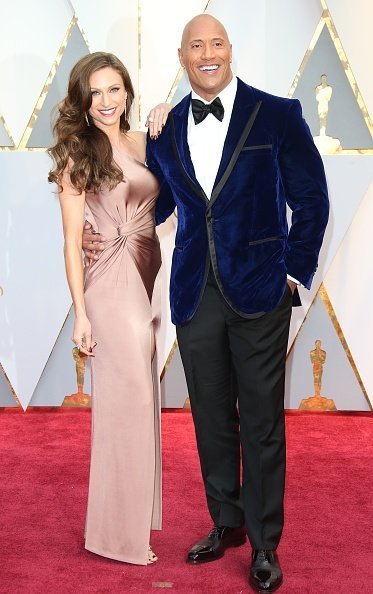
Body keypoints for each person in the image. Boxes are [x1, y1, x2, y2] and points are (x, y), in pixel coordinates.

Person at [83, 15, 329, 592]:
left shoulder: (278, 114)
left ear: (230, 50)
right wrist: (102, 227)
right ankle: (227, 523)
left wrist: (293, 272)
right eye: (196, 45)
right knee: (211, 416)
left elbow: (311, 199)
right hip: (195, 290)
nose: (207, 53)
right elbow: (159, 203)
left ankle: (265, 545)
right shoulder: (165, 127)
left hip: (262, 287)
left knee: (262, 422)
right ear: (182, 56)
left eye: (216, 43)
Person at [48, 52, 171, 565]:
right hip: (109, 282)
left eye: (114, 89)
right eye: (94, 93)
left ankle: (126, 521)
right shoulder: (79, 154)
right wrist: (80, 313)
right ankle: (118, 536)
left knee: (141, 399)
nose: (105, 102)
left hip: (147, 274)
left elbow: (178, 180)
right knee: (131, 399)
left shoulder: (145, 143)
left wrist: (169, 108)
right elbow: (73, 240)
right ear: (83, 99)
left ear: (127, 92)